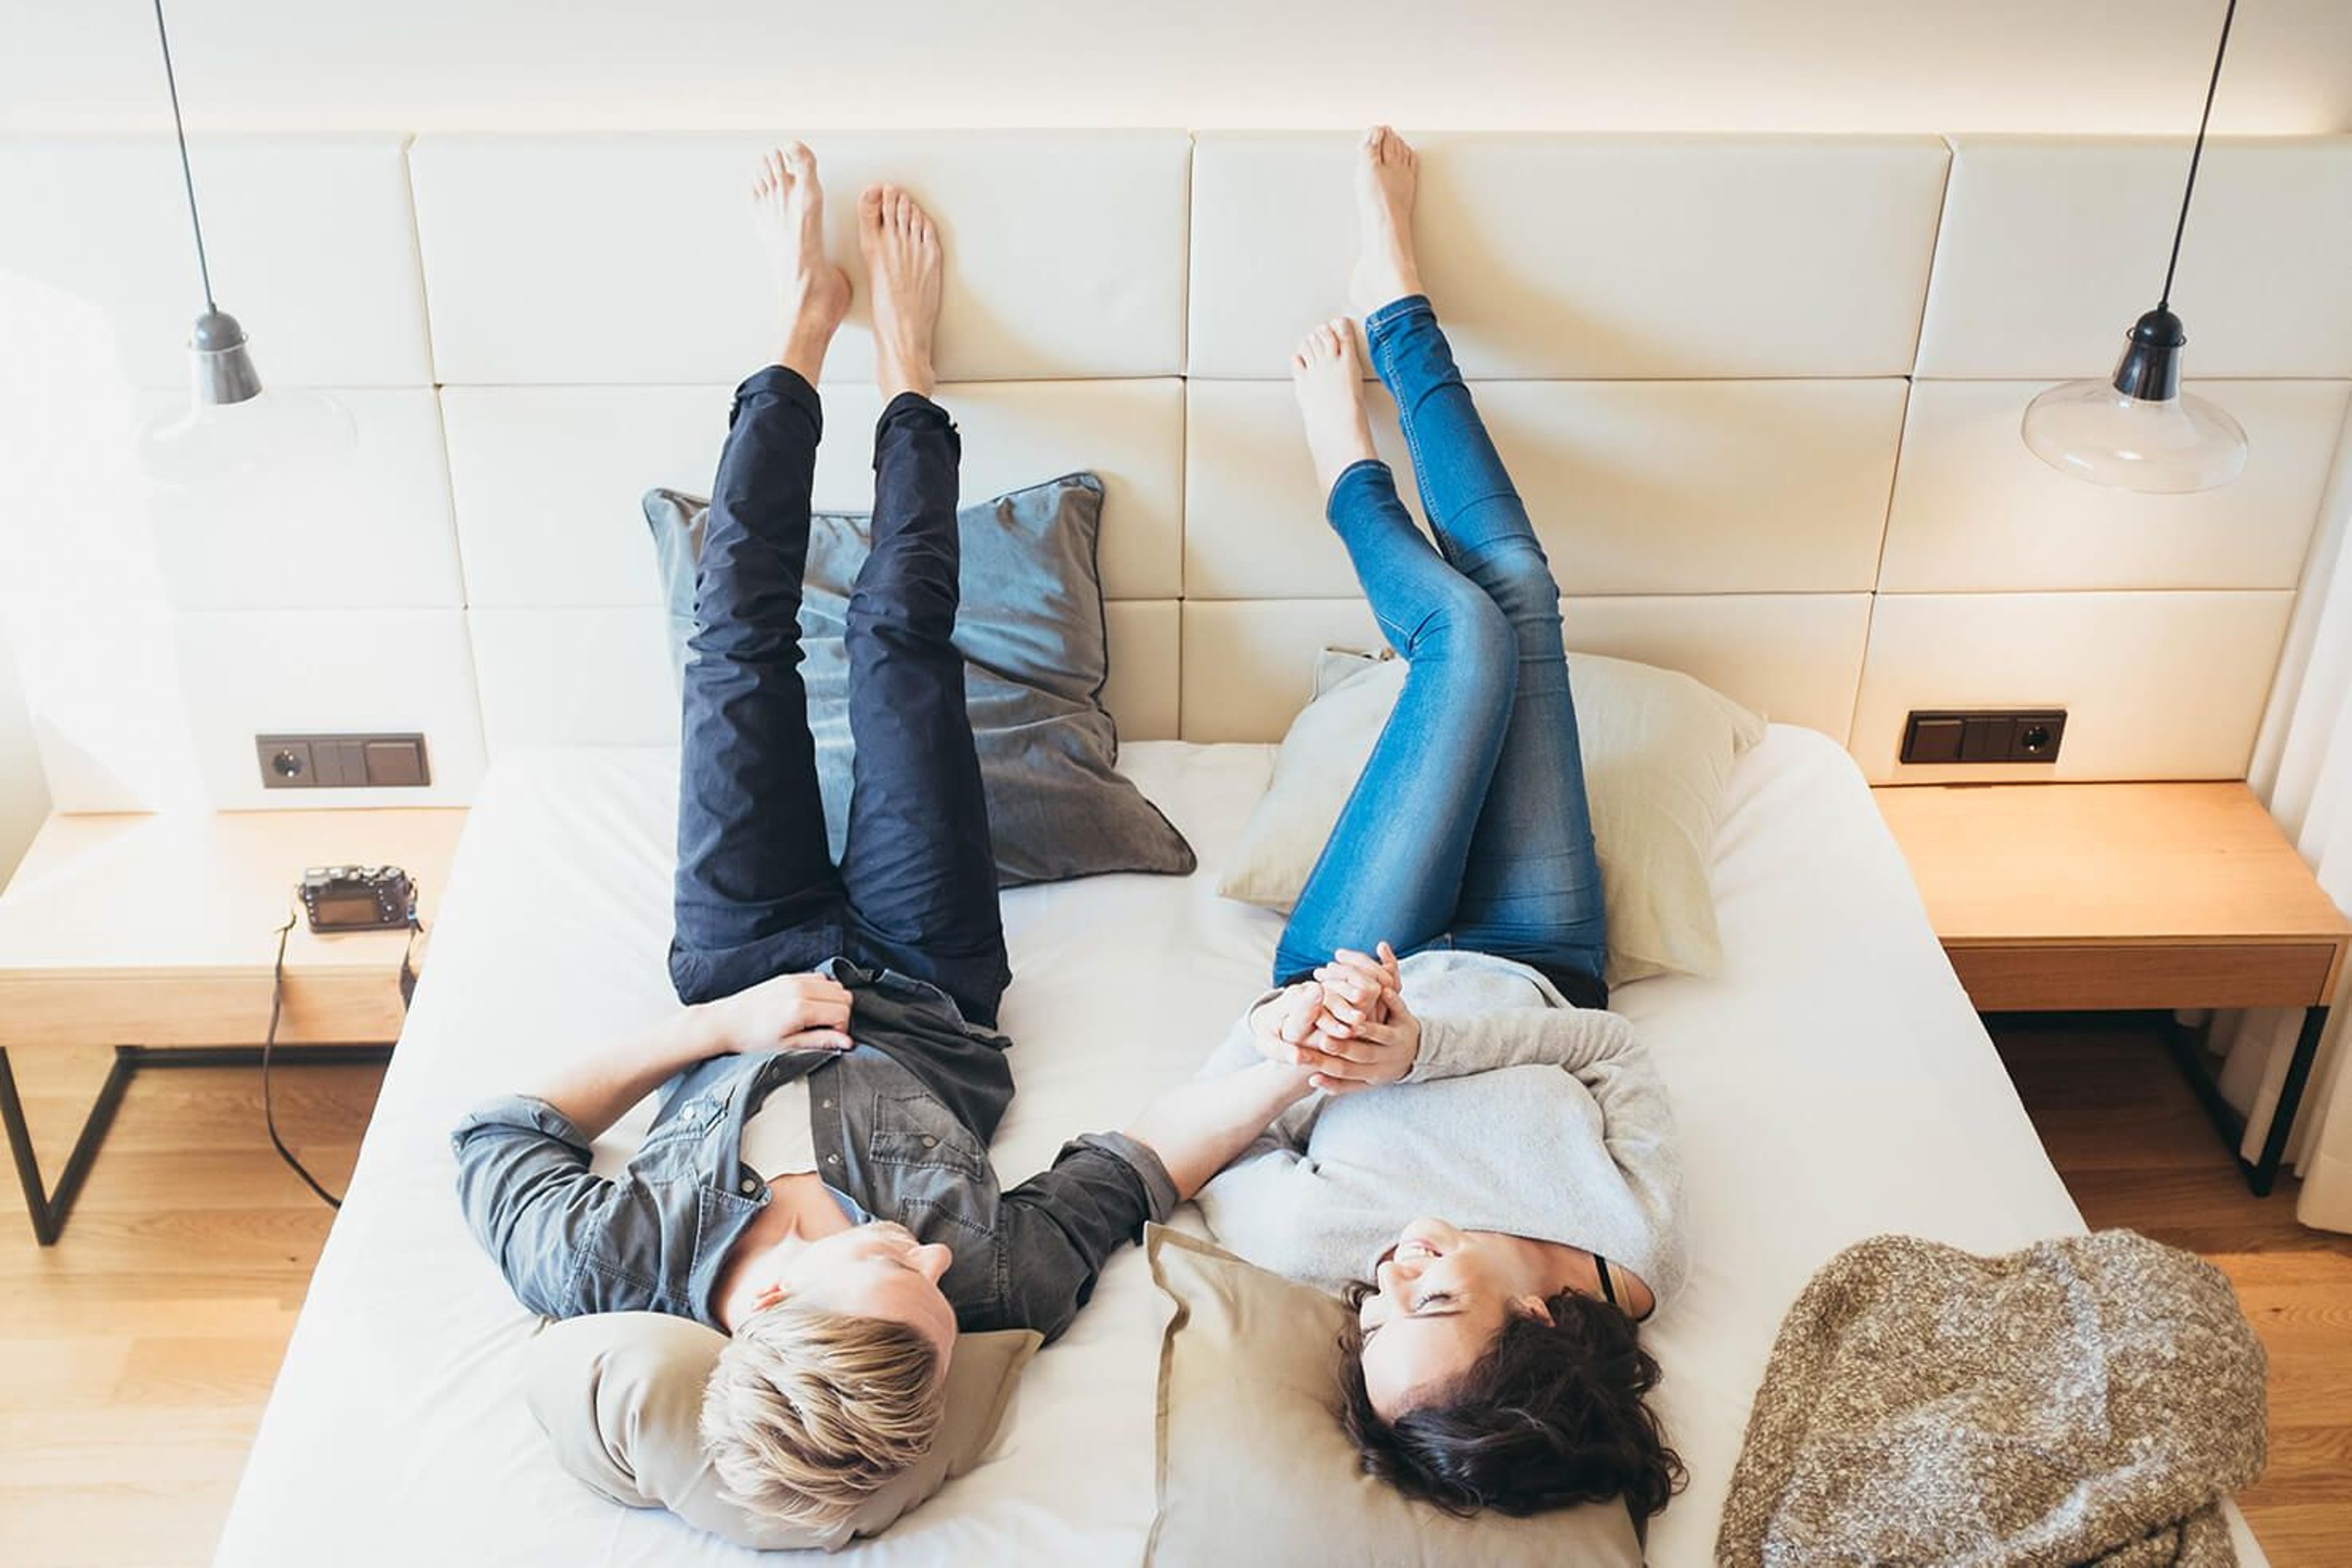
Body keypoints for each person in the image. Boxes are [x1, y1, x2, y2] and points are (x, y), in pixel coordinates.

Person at [450, 146, 1325, 1537]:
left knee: (736, 645)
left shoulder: (608, 1258)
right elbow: (1144, 1161)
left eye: (892, 1263)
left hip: (741, 963)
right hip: (926, 982)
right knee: (898, 648)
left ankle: (799, 328)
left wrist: (726, 1021)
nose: (931, 1249)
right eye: (938, 1273)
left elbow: (503, 1129)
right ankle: (911, 377)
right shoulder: (978, 1282)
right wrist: (1296, 1061)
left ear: (778, 1299)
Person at [1191, 127, 1689, 1522]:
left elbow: (1216, 1119)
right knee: (1521, 588)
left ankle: (1346, 463)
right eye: (1430, 1296)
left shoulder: (1310, 1239)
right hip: (1541, 956)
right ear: (1538, 1327)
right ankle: (1398, 304)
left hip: (1365, 943)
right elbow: (1615, 1049)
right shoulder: (1633, 1256)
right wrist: (1436, 1049)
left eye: (1375, 1315)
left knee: (1463, 638)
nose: (1392, 1273)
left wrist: (1320, 1038)